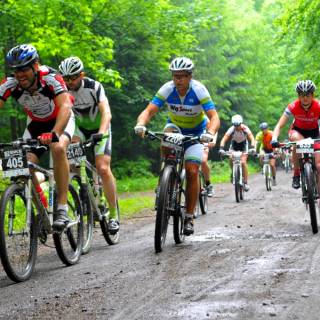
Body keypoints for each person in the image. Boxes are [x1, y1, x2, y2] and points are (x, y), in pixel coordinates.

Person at [134, 57, 220, 235]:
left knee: (192, 171)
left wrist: (210, 133)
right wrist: (141, 123)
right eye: (175, 76)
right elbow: (149, 110)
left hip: (196, 131)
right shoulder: (167, 89)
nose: (178, 80)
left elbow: (214, 117)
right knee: (166, 143)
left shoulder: (199, 90)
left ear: (190, 77)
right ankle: (165, 180)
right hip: (175, 127)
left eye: (181, 76)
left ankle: (188, 217)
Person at [0, 44, 75, 230]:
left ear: (35, 65)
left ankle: (62, 207)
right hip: (35, 125)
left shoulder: (51, 77)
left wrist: (55, 133)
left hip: (61, 119)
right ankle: (42, 208)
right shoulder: (10, 83)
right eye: (16, 71)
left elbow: (65, 106)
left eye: (24, 69)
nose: (19, 75)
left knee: (58, 148)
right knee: (23, 167)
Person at [58, 56, 119, 233]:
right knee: (71, 164)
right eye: (66, 78)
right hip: (79, 130)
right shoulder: (63, 91)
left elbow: (106, 112)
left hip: (100, 128)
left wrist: (101, 132)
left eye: (73, 77)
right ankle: (85, 190)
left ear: (82, 75)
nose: (69, 82)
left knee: (102, 168)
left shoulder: (94, 86)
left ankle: (113, 215)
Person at [271, 80, 320, 189]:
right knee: (297, 143)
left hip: (315, 133)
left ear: (313, 95)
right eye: (302, 95)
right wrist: (274, 138)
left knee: (319, 166)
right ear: (298, 96)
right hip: (298, 132)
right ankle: (296, 174)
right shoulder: (293, 106)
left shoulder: (318, 106)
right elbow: (279, 125)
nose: (305, 98)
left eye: (307, 95)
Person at [219, 114, 255, 191]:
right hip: (234, 145)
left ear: (241, 123)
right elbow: (224, 138)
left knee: (243, 162)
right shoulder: (231, 129)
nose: (236, 127)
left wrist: (252, 148)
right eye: (235, 125)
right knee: (231, 158)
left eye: (238, 125)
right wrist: (221, 148)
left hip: (243, 145)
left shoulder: (245, 128)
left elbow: (251, 138)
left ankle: (245, 182)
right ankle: (233, 172)